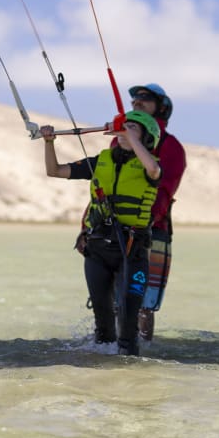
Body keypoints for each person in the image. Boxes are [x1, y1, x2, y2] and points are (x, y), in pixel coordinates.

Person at [41, 111, 161, 356]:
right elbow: (54, 170)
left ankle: (129, 375)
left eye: (134, 129)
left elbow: (153, 168)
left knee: (127, 327)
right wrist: (49, 142)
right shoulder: (100, 162)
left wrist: (129, 135)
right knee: (103, 325)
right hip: (98, 250)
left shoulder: (152, 167)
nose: (126, 131)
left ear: (146, 139)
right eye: (124, 127)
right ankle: (101, 376)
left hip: (132, 252)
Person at [125, 84, 186, 344]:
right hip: (115, 227)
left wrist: (143, 223)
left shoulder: (171, 147)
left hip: (152, 230)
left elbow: (164, 190)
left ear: (161, 107)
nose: (137, 101)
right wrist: (87, 226)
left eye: (145, 98)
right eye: (135, 98)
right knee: (113, 298)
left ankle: (141, 351)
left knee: (144, 302)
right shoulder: (123, 140)